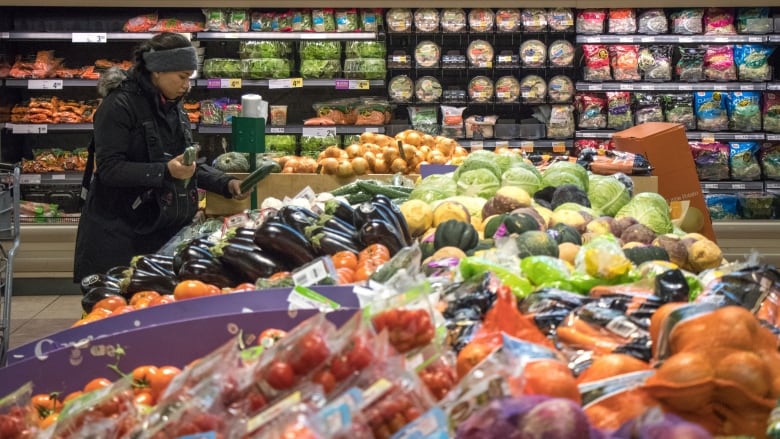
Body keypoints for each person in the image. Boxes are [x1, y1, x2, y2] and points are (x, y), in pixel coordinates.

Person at [74, 32, 248, 283]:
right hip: (117, 233)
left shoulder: (173, 108)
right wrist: (164, 171)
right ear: (157, 71)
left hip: (157, 228)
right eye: (182, 77)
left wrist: (227, 183)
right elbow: (110, 169)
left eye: (189, 78)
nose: (186, 85)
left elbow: (185, 165)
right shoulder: (118, 105)